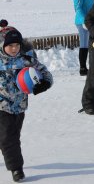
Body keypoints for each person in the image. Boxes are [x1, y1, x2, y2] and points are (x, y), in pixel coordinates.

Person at [0, 24, 53, 182]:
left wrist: (44, 84)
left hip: (20, 107)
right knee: (9, 138)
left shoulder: (27, 60)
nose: (14, 48)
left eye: (17, 45)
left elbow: (46, 74)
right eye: (10, 45)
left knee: (11, 136)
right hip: (1, 106)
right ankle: (16, 168)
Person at [71, 0, 94, 76]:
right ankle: (83, 68)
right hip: (82, 22)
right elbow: (78, 8)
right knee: (84, 44)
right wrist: (84, 21)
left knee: (90, 44)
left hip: (90, 21)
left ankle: (91, 65)